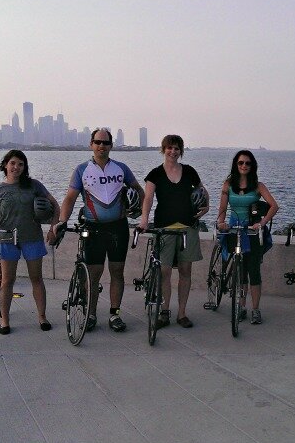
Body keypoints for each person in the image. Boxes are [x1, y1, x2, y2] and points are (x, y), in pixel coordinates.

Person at [54, 128, 144, 333]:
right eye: (97, 142)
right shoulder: (81, 169)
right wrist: (61, 221)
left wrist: (138, 208)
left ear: (111, 146)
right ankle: (91, 314)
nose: (101, 146)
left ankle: (115, 314)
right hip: (93, 228)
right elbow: (70, 197)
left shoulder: (121, 168)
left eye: (105, 142)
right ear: (91, 145)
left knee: (117, 272)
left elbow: (139, 189)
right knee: (93, 274)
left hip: (118, 227)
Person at [139, 134, 209, 329]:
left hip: (187, 227)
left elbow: (202, 191)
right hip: (165, 228)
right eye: (169, 148)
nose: (173, 151)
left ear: (181, 151)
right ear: (163, 150)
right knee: (164, 272)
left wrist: (207, 205)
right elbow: (148, 198)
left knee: (186, 271)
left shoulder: (189, 171)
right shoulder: (155, 174)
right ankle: (164, 311)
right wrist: (144, 219)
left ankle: (182, 313)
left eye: (177, 148)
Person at [0, 149, 60, 334]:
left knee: (36, 278)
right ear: (5, 165)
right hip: (7, 239)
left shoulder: (34, 185)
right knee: (7, 281)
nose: (16, 167)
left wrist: (53, 228)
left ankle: (42, 317)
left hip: (32, 238)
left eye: (20, 164)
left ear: (24, 167)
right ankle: (5, 320)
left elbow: (55, 206)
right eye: (12, 163)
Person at [214, 150, 279, 324]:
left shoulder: (258, 186)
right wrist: (221, 222)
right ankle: (241, 307)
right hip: (234, 229)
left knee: (254, 271)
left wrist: (262, 222)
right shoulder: (227, 185)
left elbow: (274, 206)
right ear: (236, 165)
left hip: (252, 231)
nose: (244, 166)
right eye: (241, 163)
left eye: (247, 163)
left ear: (252, 166)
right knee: (239, 271)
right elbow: (222, 209)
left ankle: (255, 309)